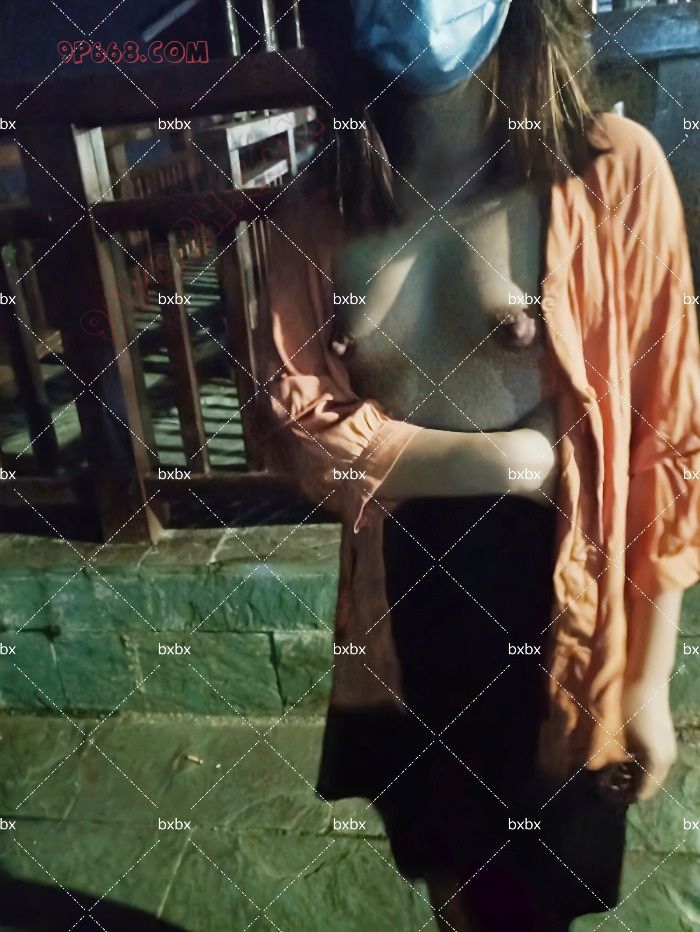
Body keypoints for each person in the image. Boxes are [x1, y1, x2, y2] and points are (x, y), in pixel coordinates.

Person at [258, 1, 700, 928]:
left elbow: (666, 442)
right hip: (405, 611)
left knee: (533, 902)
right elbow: (299, 430)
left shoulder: (611, 170)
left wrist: (648, 683)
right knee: (450, 885)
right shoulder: (319, 206)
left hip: (555, 620)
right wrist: (513, 462)